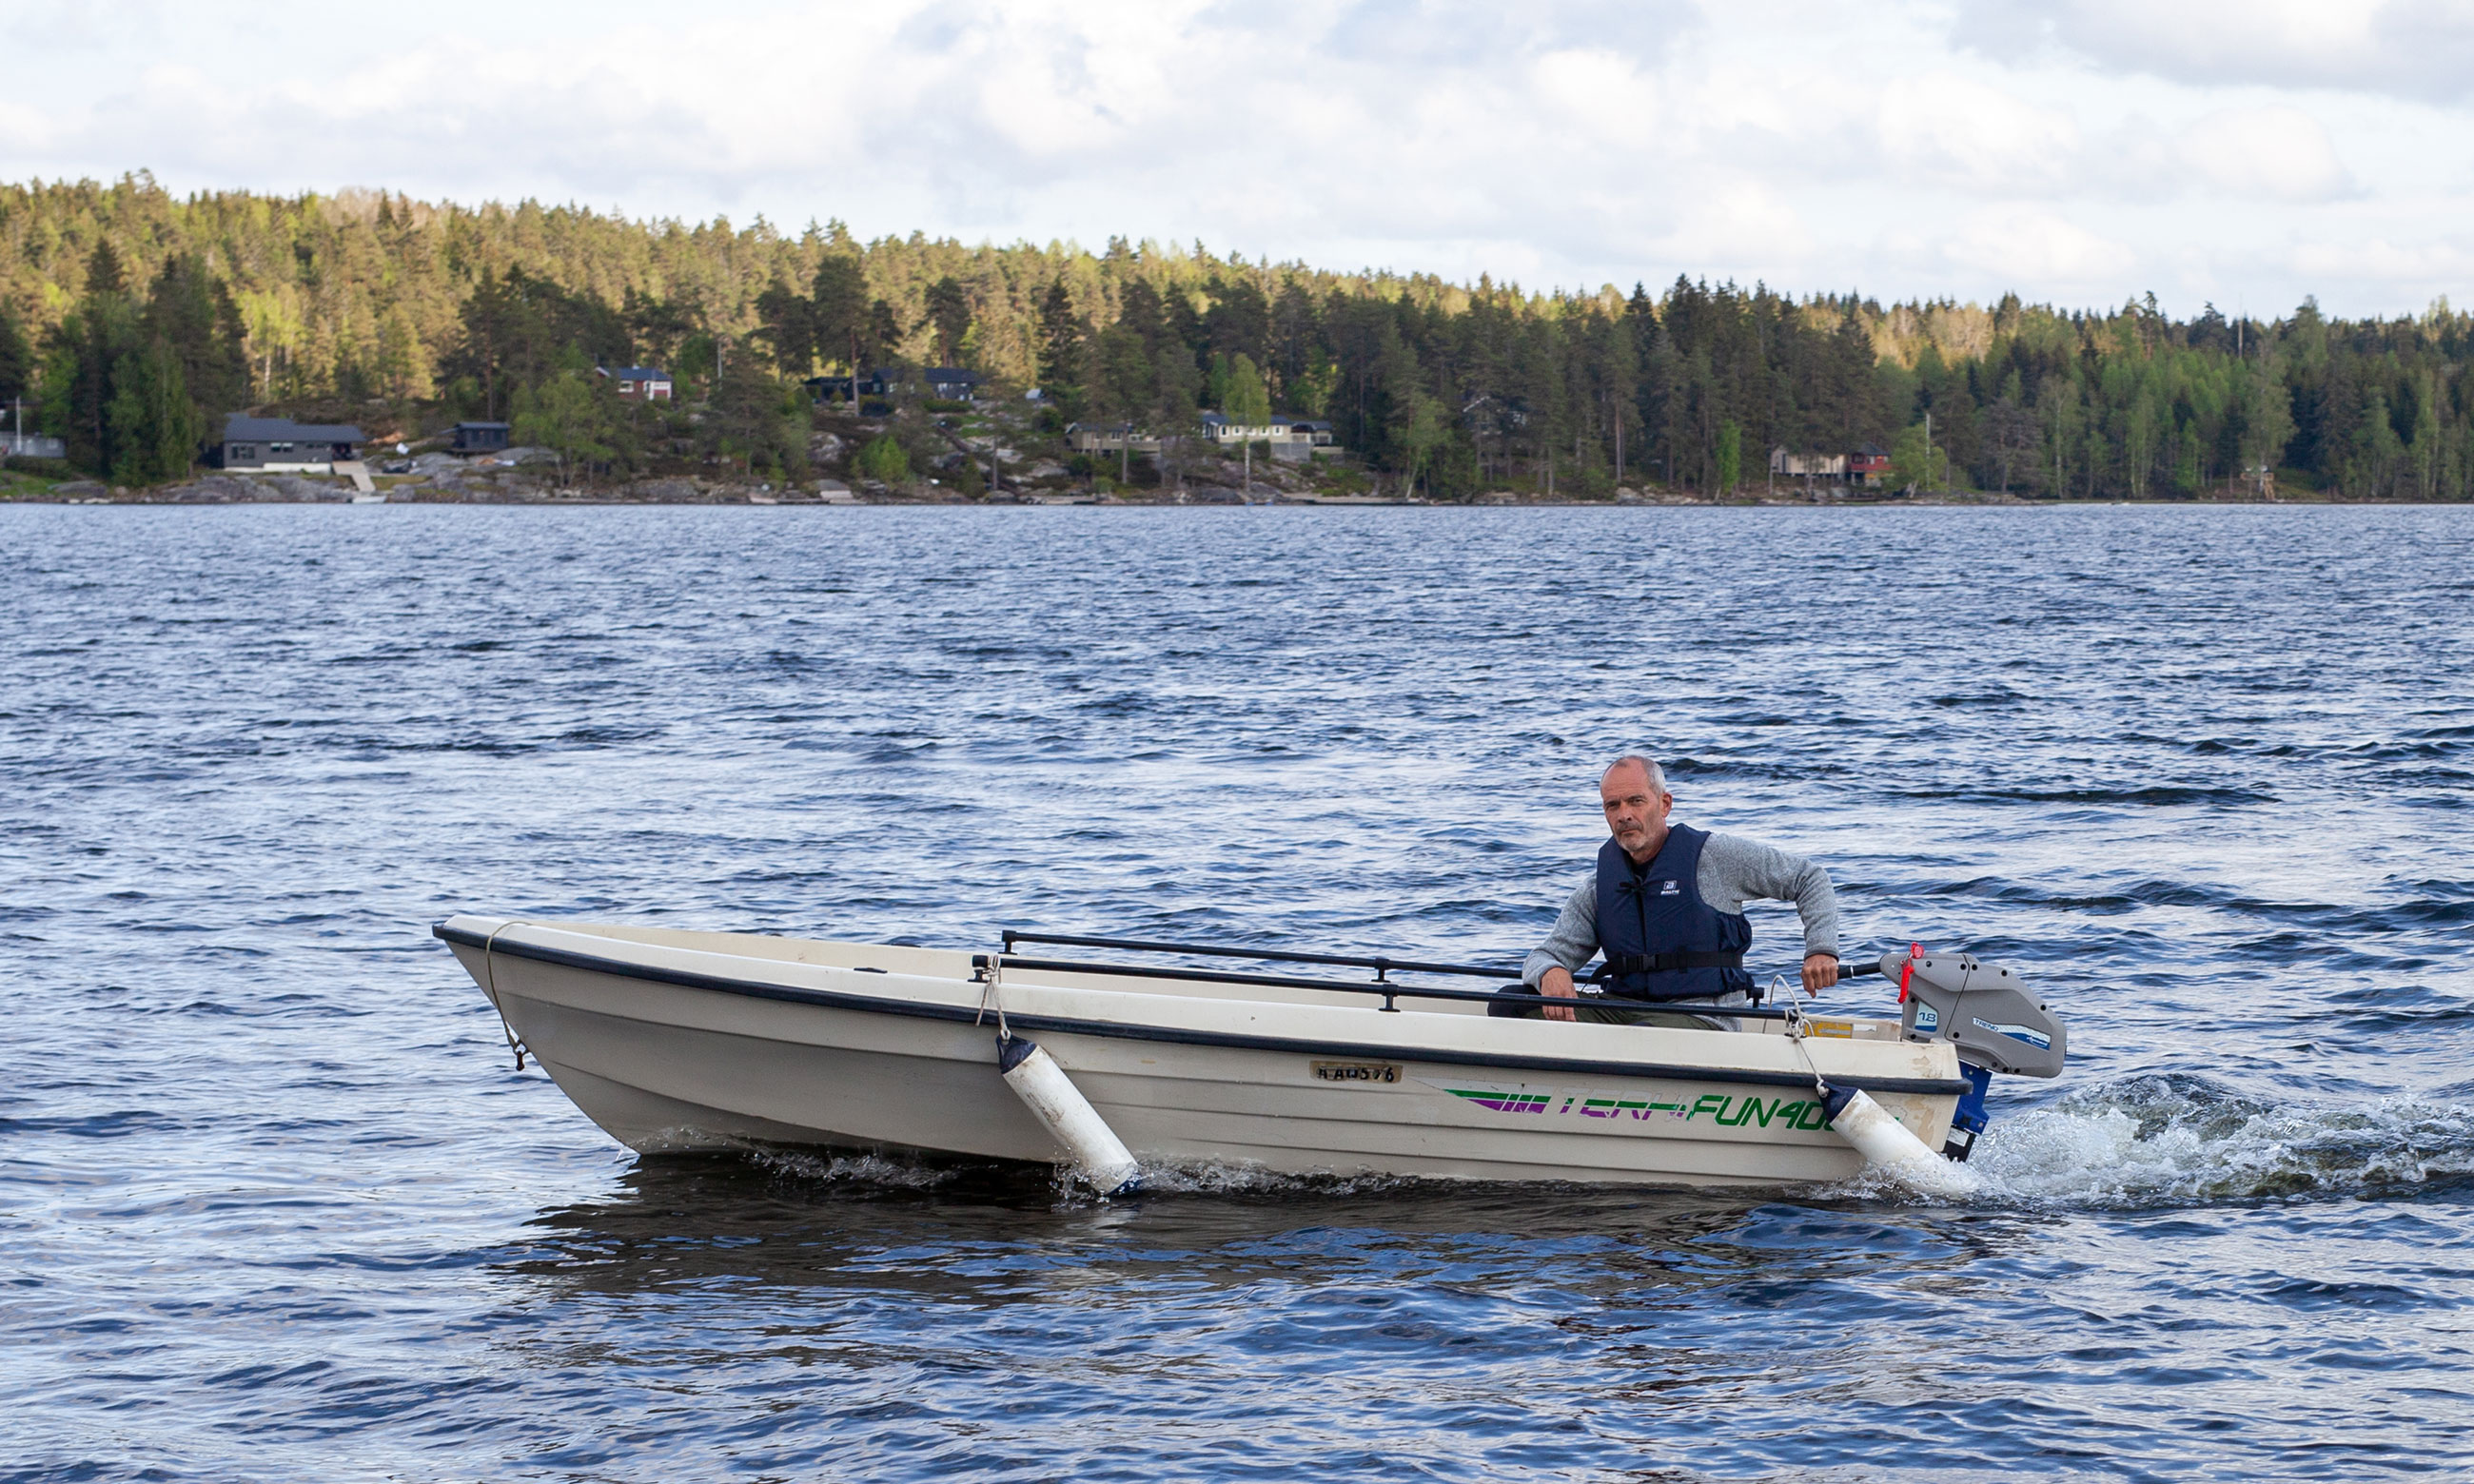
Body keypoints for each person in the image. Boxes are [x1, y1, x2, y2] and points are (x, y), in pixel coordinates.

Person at [1508, 754, 1841, 1028]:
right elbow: (1544, 954)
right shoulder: (1599, 887)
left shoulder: (1715, 857)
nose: (1624, 815)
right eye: (1613, 805)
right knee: (1511, 1004)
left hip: (1703, 1017)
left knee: (1645, 1036)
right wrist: (1550, 972)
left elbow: (1809, 878)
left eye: (1636, 801)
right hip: (1625, 1010)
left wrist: (1821, 950)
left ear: (1664, 804)